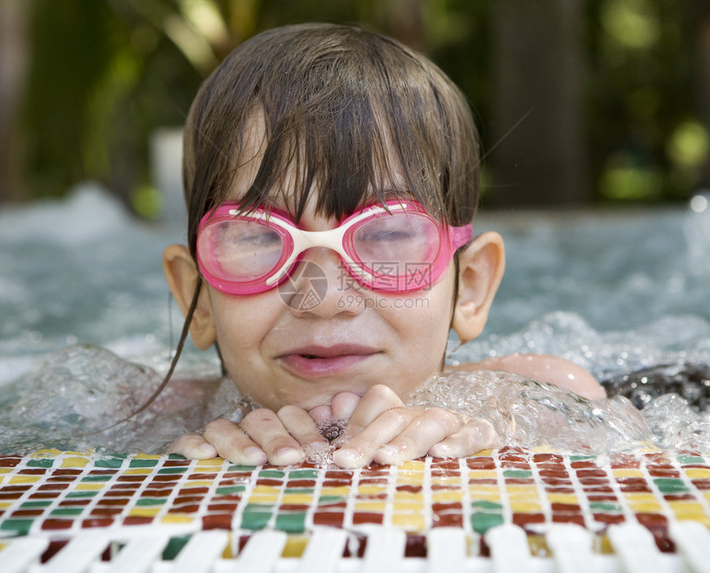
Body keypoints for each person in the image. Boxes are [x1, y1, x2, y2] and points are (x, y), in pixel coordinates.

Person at [161, 23, 605, 468]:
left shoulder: (518, 395)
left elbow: (587, 412)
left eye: (387, 233)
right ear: (197, 298)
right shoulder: (162, 415)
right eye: (259, 234)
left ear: (470, 287)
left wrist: (489, 422)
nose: (326, 300)